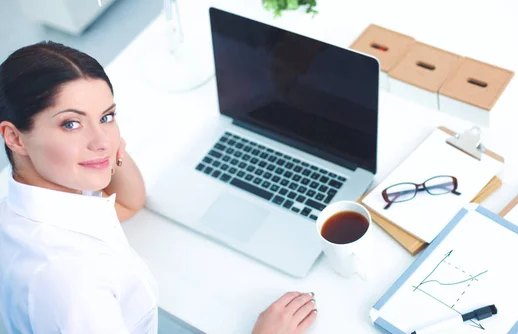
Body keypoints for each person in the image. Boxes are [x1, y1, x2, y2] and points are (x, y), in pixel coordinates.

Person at [0, 41, 317, 334]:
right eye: (71, 123)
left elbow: (128, 202)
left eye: (107, 116)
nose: (100, 140)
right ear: (14, 138)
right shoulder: (73, 286)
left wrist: (108, 151)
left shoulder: (31, 190)